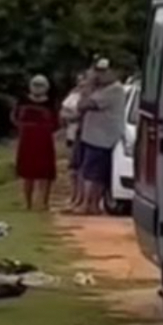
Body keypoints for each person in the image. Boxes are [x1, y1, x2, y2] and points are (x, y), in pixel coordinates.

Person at [70, 59, 125, 216]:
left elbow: (83, 105)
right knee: (96, 173)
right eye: (97, 71)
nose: (98, 75)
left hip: (101, 137)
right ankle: (92, 205)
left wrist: (87, 87)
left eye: (102, 71)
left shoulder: (113, 90)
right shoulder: (103, 89)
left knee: (91, 173)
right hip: (96, 136)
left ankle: (88, 204)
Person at [12, 74, 58, 211]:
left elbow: (56, 122)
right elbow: (15, 117)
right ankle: (28, 203)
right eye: (35, 85)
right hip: (27, 140)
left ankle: (43, 202)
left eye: (41, 85)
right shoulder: (22, 101)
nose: (37, 88)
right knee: (27, 173)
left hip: (44, 140)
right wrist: (23, 127)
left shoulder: (51, 103)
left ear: (46, 87)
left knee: (45, 172)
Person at [60, 71, 92, 209]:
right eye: (79, 80)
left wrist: (74, 115)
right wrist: (72, 116)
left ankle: (81, 197)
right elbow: (63, 112)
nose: (81, 83)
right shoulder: (73, 95)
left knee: (81, 169)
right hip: (71, 134)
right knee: (72, 169)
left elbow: (82, 114)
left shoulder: (91, 96)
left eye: (83, 80)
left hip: (85, 135)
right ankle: (73, 196)